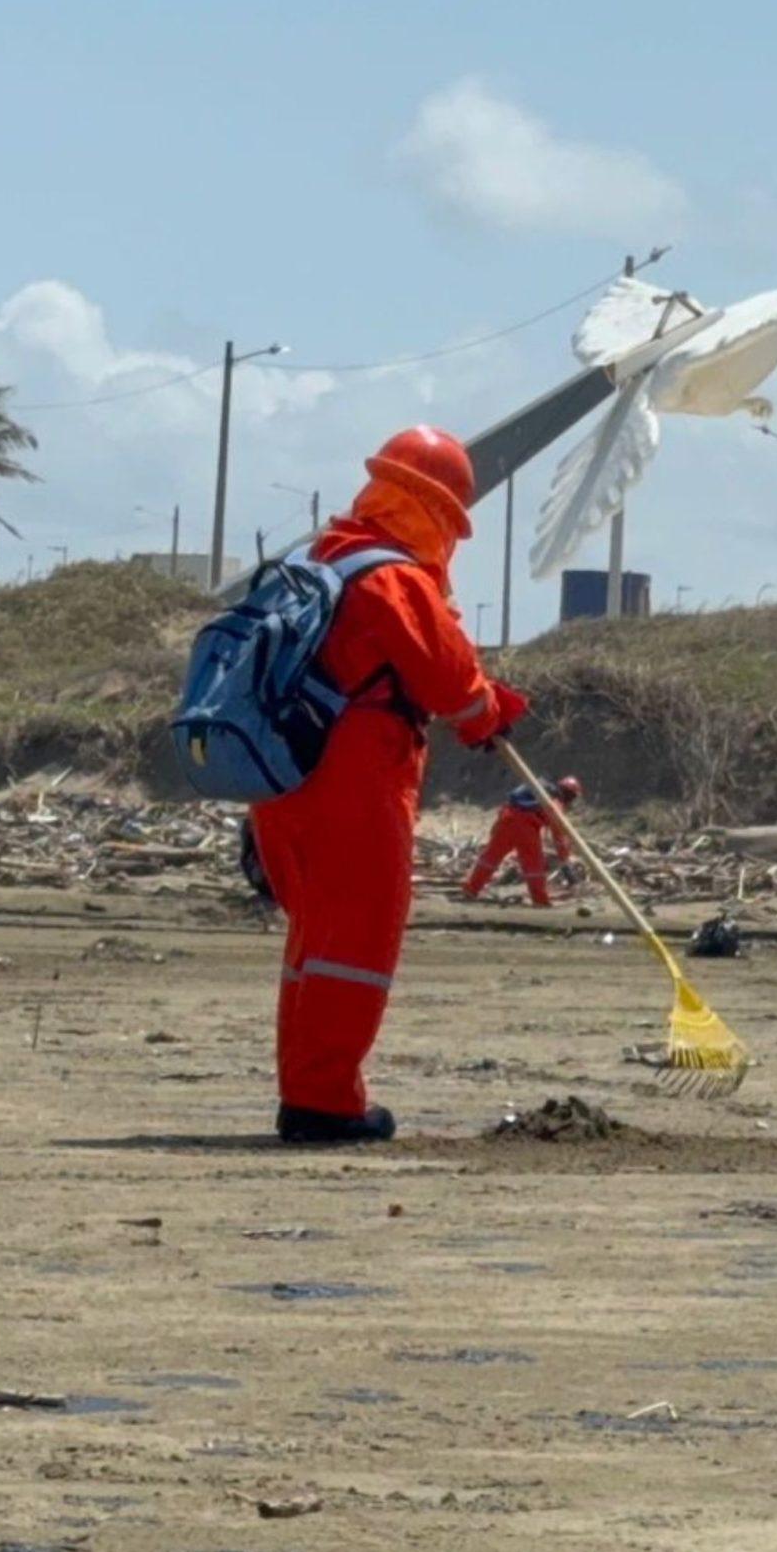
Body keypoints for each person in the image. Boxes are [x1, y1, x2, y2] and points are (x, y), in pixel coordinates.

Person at [250, 426, 528, 1144]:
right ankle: (324, 1103)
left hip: (281, 781)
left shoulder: (319, 558)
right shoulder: (393, 578)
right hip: (353, 784)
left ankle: (307, 1090)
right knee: (358, 943)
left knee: (314, 942)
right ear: (440, 513)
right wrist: (491, 712)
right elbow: (450, 682)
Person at [463, 775, 583, 907]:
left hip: (507, 818)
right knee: (534, 865)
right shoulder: (554, 802)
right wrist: (564, 858)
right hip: (526, 826)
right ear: (570, 795)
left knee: (490, 857)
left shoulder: (538, 790)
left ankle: (471, 889)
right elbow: (558, 835)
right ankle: (540, 900)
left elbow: (509, 805)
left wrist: (496, 828)